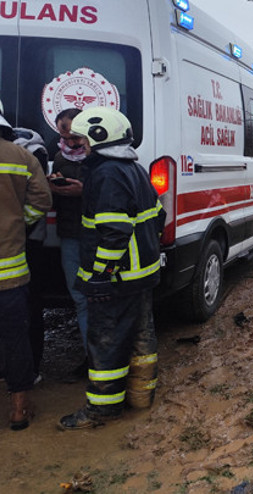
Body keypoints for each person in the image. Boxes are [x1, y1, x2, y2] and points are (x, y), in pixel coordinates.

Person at [58, 107, 164, 430]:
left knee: (106, 342)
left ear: (99, 137)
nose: (79, 146)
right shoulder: (135, 169)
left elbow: (114, 232)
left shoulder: (105, 175)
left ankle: (102, 410)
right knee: (141, 338)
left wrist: (102, 275)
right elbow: (158, 217)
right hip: (142, 275)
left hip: (117, 279)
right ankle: (140, 398)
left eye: (81, 140)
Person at [0, 99, 53, 430]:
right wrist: (20, 222)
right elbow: (42, 200)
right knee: (16, 337)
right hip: (10, 271)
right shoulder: (22, 157)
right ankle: (19, 409)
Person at [48, 108, 89, 378]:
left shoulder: (100, 158)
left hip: (96, 235)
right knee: (80, 299)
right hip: (69, 234)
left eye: (76, 135)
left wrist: (84, 191)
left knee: (101, 299)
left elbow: (114, 193)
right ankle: (91, 357)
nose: (71, 142)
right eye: (65, 135)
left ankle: (104, 357)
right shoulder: (58, 157)